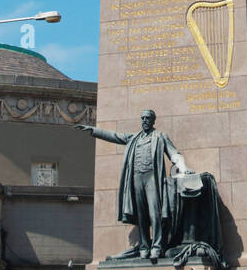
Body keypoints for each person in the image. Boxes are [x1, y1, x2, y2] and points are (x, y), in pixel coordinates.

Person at [78, 109, 188, 260]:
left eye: (148, 118)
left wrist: (183, 168)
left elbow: (174, 153)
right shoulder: (134, 138)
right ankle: (144, 247)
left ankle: (156, 246)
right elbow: (115, 136)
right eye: (142, 118)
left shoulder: (160, 137)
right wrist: (94, 130)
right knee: (141, 215)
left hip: (152, 179)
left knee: (154, 213)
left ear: (153, 120)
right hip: (137, 178)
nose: (144, 120)